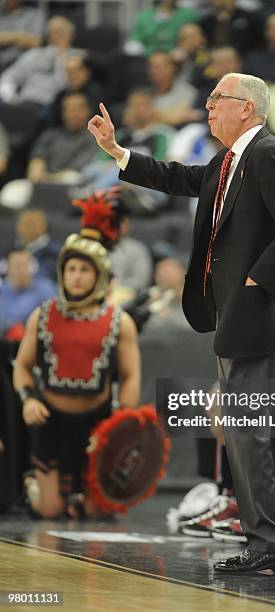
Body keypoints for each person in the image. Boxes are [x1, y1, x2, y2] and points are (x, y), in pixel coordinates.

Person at [88, 71, 275, 573]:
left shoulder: (268, 153)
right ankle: (265, 541)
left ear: (248, 108)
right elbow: (180, 178)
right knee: (241, 430)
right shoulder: (230, 158)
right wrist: (118, 152)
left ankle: (270, 545)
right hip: (233, 315)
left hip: (253, 313)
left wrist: (259, 282)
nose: (209, 106)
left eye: (218, 99)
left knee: (248, 430)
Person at [13, 194, 141, 519]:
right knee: (49, 510)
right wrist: (28, 399)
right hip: (50, 421)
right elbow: (23, 367)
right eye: (71, 268)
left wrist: (118, 424)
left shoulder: (119, 321)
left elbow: (130, 377)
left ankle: (79, 494)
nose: (77, 276)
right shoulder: (41, 316)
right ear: (62, 272)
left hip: (97, 423)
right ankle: (37, 488)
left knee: (97, 511)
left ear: (99, 275)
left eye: (85, 269)